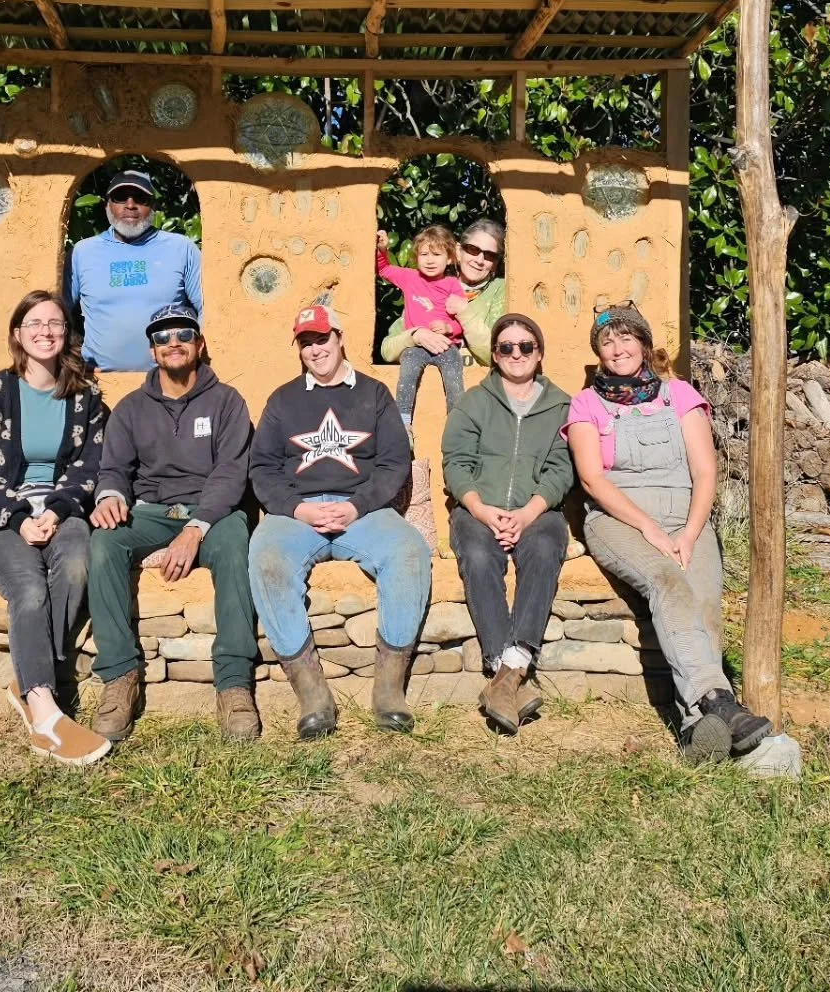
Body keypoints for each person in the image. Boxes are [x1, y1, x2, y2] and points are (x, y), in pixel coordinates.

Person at [564, 302, 771, 762]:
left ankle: (699, 731)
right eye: (607, 342)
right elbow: (592, 481)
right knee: (669, 584)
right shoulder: (586, 404)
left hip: (687, 519)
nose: (617, 348)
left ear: (643, 343)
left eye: (626, 338)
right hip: (620, 521)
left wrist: (691, 533)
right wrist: (651, 529)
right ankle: (718, 701)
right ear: (598, 352)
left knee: (705, 604)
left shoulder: (679, 395)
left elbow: (705, 471)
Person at [247, 304, 431, 739]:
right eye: (306, 343)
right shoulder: (283, 400)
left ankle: (389, 689)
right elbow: (262, 468)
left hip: (362, 511)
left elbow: (393, 462)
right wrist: (297, 509)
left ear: (340, 337)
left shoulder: (374, 394)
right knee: (266, 558)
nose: (316, 350)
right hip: (297, 513)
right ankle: (313, 695)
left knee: (409, 551)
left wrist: (357, 506)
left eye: (322, 338)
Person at [85, 303, 260, 743]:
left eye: (183, 334)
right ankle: (120, 677)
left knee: (235, 545)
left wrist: (195, 529)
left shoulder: (227, 402)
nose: (173, 342)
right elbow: (114, 468)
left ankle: (234, 683)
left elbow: (231, 474)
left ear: (199, 344)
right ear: (152, 350)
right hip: (150, 511)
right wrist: (110, 497)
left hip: (213, 512)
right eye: (162, 337)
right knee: (104, 543)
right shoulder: (130, 408)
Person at [0, 290, 111, 766]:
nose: (45, 332)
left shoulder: (85, 398)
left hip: (63, 509)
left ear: (66, 333)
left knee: (76, 565)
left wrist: (57, 511)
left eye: (55, 323)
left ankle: (30, 677)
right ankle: (43, 708)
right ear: (17, 334)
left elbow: (90, 466)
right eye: (35, 324)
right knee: (29, 588)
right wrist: (20, 519)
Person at [441, 313, 572, 733]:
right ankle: (513, 676)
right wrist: (480, 509)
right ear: (495, 355)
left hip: (538, 510)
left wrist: (529, 512)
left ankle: (504, 675)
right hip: (478, 508)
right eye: (506, 347)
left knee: (546, 549)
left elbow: (561, 469)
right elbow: (456, 462)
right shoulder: (474, 402)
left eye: (525, 346)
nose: (517, 354)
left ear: (539, 353)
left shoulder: (561, 406)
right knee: (478, 556)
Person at [66, 167, 203, 372]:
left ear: (153, 206)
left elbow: (209, 309)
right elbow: (58, 313)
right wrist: (73, 360)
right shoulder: (83, 252)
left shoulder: (182, 249)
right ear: (107, 205)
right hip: (99, 381)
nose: (130, 205)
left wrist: (194, 358)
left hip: (169, 380)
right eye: (120, 198)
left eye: (140, 198)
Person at [381, 217, 506, 369]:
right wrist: (415, 335)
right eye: (473, 250)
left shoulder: (500, 290)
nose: (479, 260)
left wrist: (464, 312)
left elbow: (497, 356)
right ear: (458, 251)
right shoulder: (429, 284)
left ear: (495, 263)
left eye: (490, 255)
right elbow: (387, 351)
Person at [377, 225, 467, 426]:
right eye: (424, 254)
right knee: (407, 372)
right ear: (416, 257)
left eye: (437, 254)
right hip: (416, 347)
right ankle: (403, 423)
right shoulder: (410, 277)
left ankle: (457, 423)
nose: (430, 260)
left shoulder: (452, 284)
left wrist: (448, 328)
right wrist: (382, 250)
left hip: (445, 346)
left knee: (454, 378)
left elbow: (461, 323)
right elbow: (383, 269)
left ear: (449, 258)